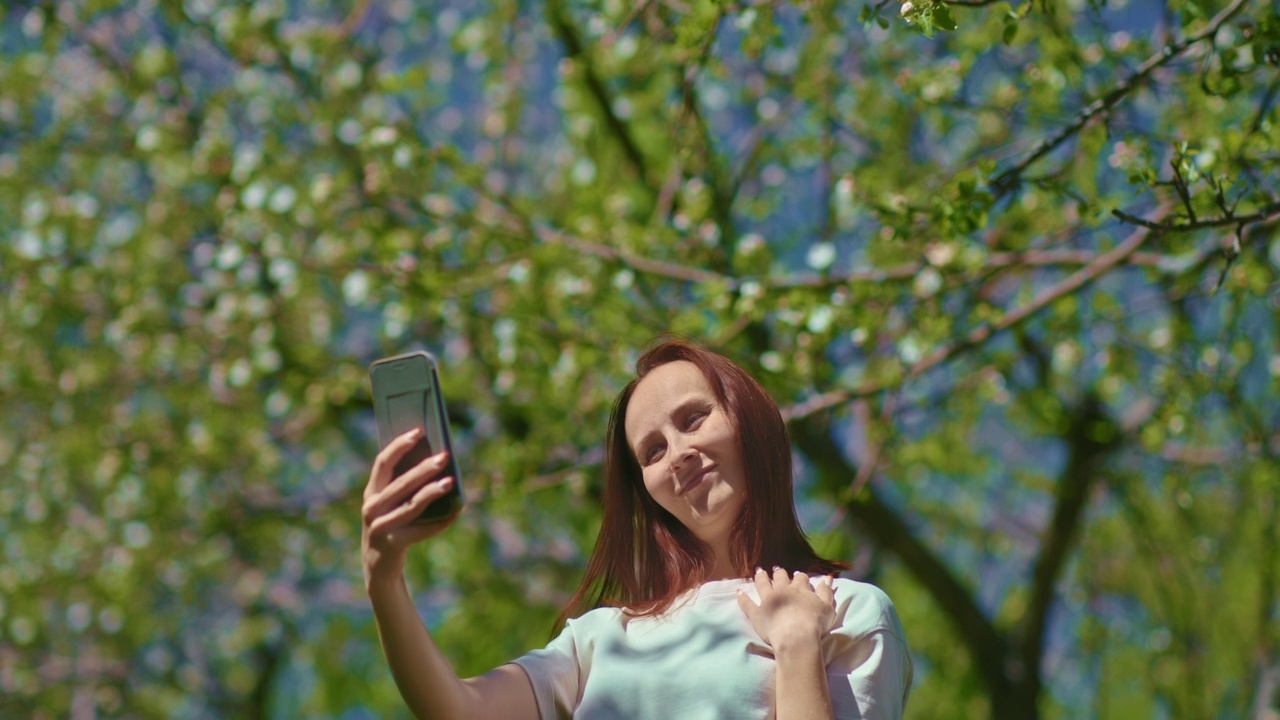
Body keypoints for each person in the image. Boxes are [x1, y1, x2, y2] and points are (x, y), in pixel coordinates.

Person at [361, 338, 912, 719]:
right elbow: (457, 710)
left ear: (748, 417)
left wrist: (796, 643)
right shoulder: (601, 637)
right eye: (652, 450)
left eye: (694, 418)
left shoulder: (848, 611)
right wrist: (384, 579)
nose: (678, 453)